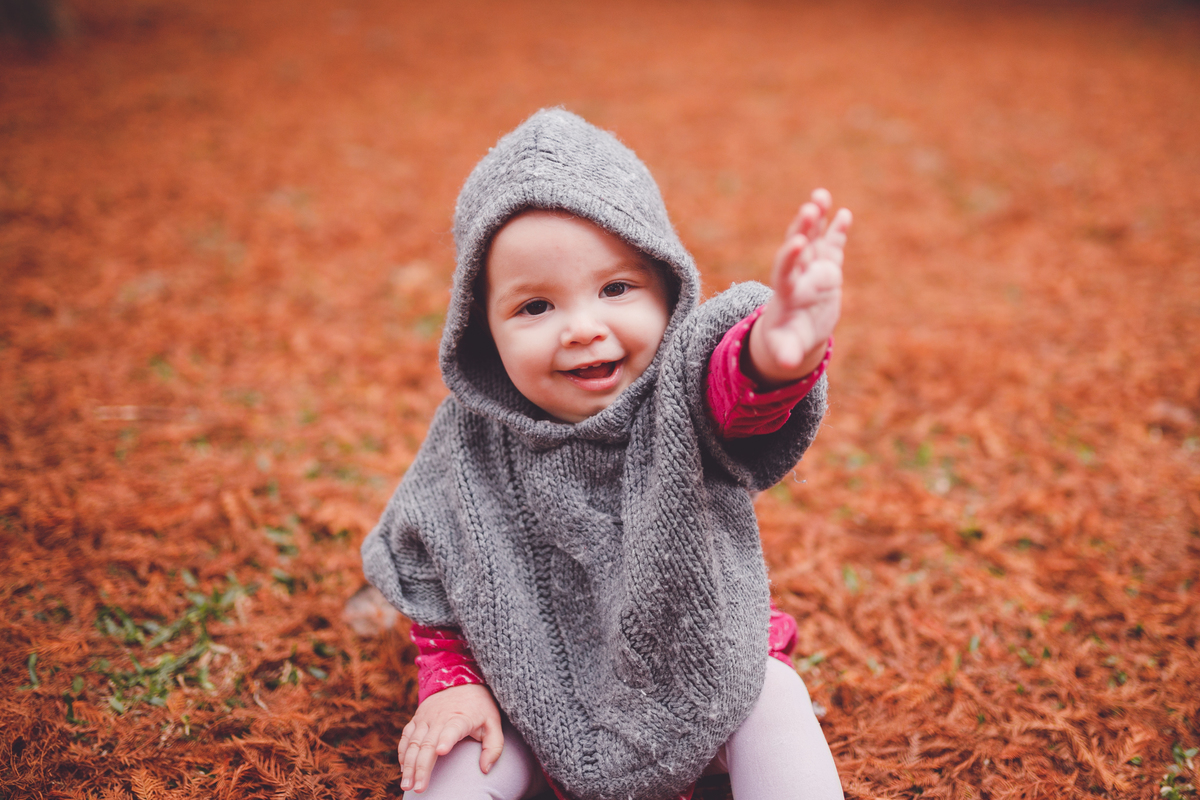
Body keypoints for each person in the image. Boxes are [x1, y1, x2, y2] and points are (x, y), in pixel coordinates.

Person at [361, 108, 850, 800]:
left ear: (667, 292)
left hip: (699, 677)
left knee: (773, 696)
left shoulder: (682, 396)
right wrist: (455, 685)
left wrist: (774, 355)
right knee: (458, 757)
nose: (583, 329)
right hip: (528, 699)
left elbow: (739, 396)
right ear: (482, 330)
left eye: (616, 289)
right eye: (535, 307)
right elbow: (439, 569)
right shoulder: (468, 446)